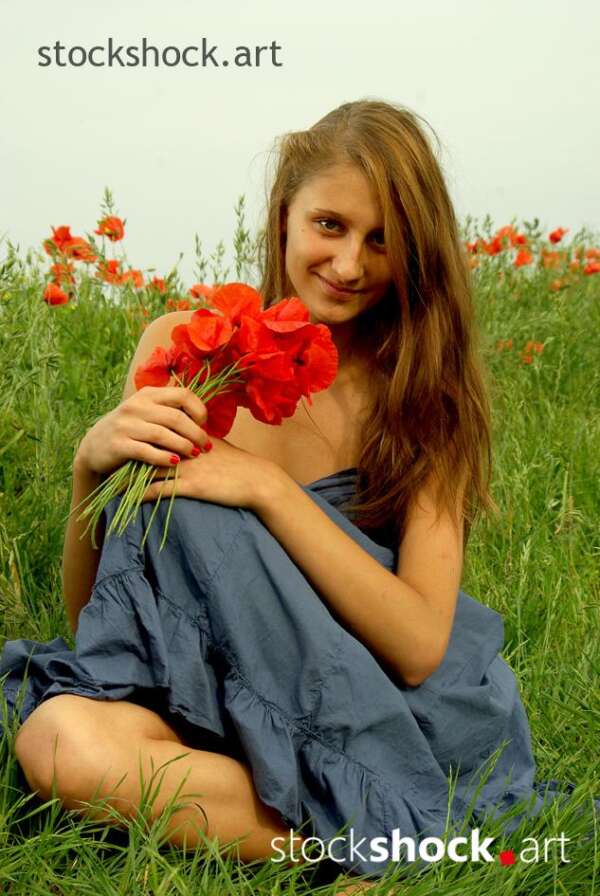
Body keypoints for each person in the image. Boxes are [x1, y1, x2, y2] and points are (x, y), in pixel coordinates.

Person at [0, 99, 594, 892]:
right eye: (331, 225)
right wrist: (89, 467)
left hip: (385, 713)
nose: (351, 264)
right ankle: (381, 841)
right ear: (283, 216)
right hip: (216, 704)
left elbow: (419, 647)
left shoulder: (422, 396)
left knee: (208, 515)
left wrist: (267, 489)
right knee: (59, 740)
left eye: (382, 240)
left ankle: (390, 811)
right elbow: (104, 632)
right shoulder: (188, 348)